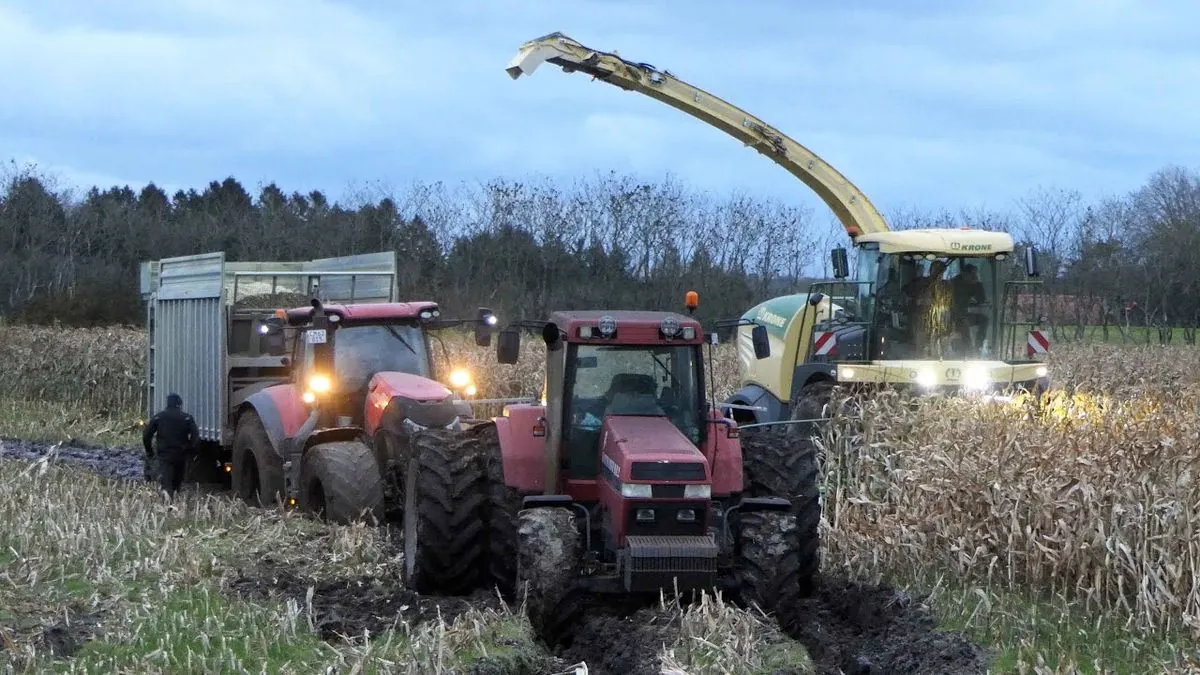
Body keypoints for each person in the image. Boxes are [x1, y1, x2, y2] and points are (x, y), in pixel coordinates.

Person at [142, 393, 200, 497]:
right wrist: (192, 450)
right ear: (179, 404)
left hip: (165, 454)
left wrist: (149, 451)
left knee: (166, 480)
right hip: (181, 454)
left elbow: (147, 435)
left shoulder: (158, 417)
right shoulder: (187, 418)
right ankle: (174, 496)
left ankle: (167, 499)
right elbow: (195, 436)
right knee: (177, 480)